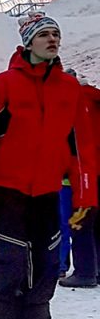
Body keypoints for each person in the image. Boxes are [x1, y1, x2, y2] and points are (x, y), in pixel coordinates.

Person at [0, 13, 96, 319]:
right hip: (6, 191)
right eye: (44, 35)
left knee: (47, 264)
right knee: (10, 261)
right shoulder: (4, 84)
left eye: (56, 34)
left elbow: (81, 148)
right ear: (28, 42)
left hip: (48, 192)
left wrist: (86, 196)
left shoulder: (70, 89)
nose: (52, 40)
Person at [61, 78, 100, 288]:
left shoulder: (74, 101)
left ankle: (85, 271)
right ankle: (97, 269)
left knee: (81, 221)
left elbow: (72, 139)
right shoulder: (95, 99)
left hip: (84, 169)